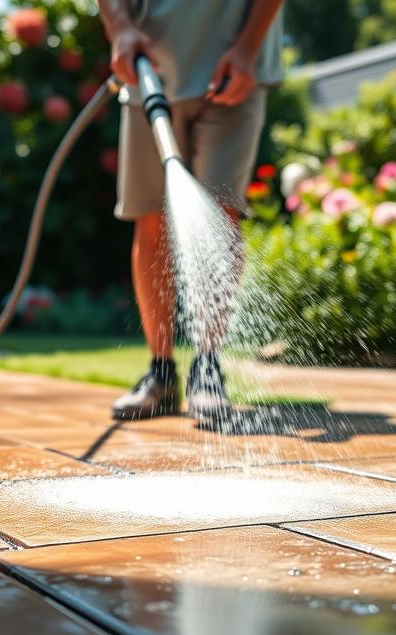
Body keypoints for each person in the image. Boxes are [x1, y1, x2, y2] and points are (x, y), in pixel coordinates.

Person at [98, 0, 284, 421]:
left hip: (232, 67)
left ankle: (207, 369)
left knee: (220, 214)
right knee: (150, 217)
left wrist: (247, 48)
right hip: (149, 70)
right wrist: (120, 27)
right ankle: (161, 373)